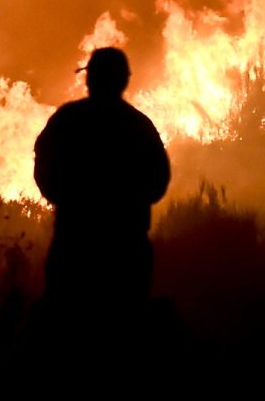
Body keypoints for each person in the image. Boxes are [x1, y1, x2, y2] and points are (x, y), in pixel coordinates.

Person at [33, 47, 171, 317]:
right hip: (127, 252)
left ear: (90, 79)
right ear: (124, 80)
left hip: (74, 249)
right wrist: (129, 204)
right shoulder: (139, 125)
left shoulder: (67, 120)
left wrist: (69, 202)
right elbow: (159, 180)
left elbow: (44, 169)